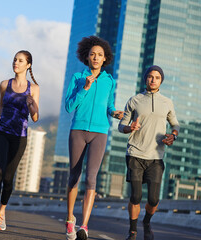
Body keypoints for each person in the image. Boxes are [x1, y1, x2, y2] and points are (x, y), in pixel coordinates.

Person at [64, 36, 124, 240]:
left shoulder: (109, 81)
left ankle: (84, 226)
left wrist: (116, 113)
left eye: (100, 55)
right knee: (75, 176)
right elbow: (69, 106)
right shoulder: (78, 77)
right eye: (92, 54)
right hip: (78, 130)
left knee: (91, 178)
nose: (96, 57)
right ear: (87, 57)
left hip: (100, 132)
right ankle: (70, 219)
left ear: (105, 58)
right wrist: (85, 88)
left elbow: (109, 106)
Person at [118, 65, 180, 240]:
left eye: (157, 77)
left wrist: (173, 136)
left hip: (156, 157)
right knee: (136, 196)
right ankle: (132, 231)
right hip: (135, 154)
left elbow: (175, 124)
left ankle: (146, 222)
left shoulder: (167, 102)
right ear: (146, 79)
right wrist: (129, 128)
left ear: (161, 81)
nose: (153, 80)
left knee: (153, 200)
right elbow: (121, 125)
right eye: (150, 76)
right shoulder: (134, 100)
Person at [0, 50, 40, 231]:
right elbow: (1, 104)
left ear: (28, 65)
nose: (16, 62)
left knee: (8, 176)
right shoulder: (4, 84)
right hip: (1, 132)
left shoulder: (34, 89)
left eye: (20, 60)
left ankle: (2, 212)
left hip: (19, 137)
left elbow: (36, 117)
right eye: (15, 59)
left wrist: (32, 104)